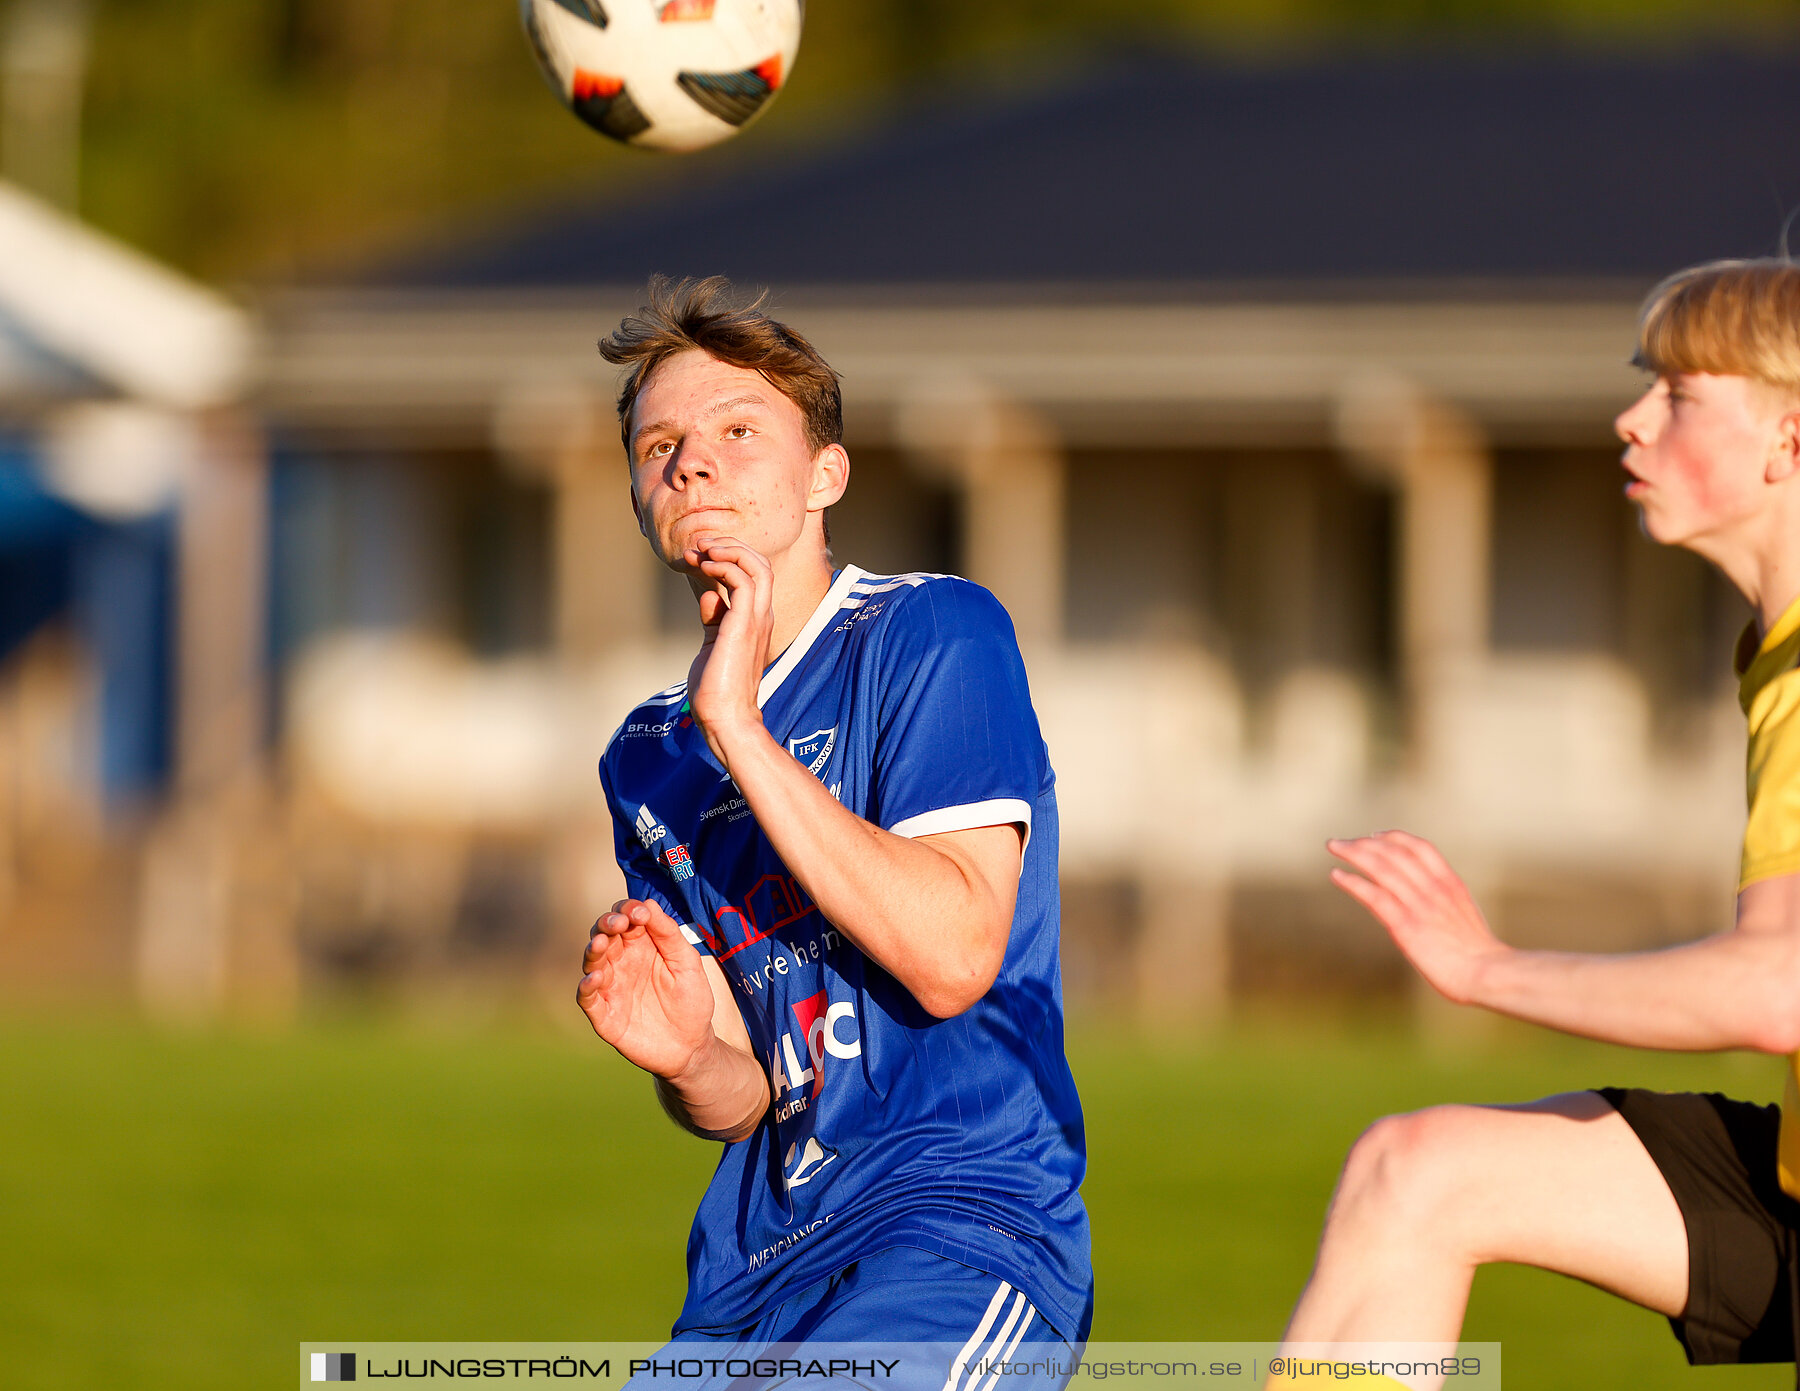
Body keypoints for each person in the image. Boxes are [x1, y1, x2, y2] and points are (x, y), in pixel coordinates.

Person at [1276, 258, 1800, 1386]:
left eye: (1679, 394)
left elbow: (1778, 988)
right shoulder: (1775, 653)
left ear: (1789, 440)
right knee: (1416, 1170)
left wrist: (1487, 967)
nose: (1633, 417)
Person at [576, 276, 1092, 1383]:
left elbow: (954, 958)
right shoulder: (649, 755)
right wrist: (683, 1050)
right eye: (659, 443)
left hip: (956, 1229)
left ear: (826, 474)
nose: (692, 461)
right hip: (749, 1275)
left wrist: (742, 731)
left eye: (737, 429)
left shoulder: (930, 632)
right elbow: (747, 1090)